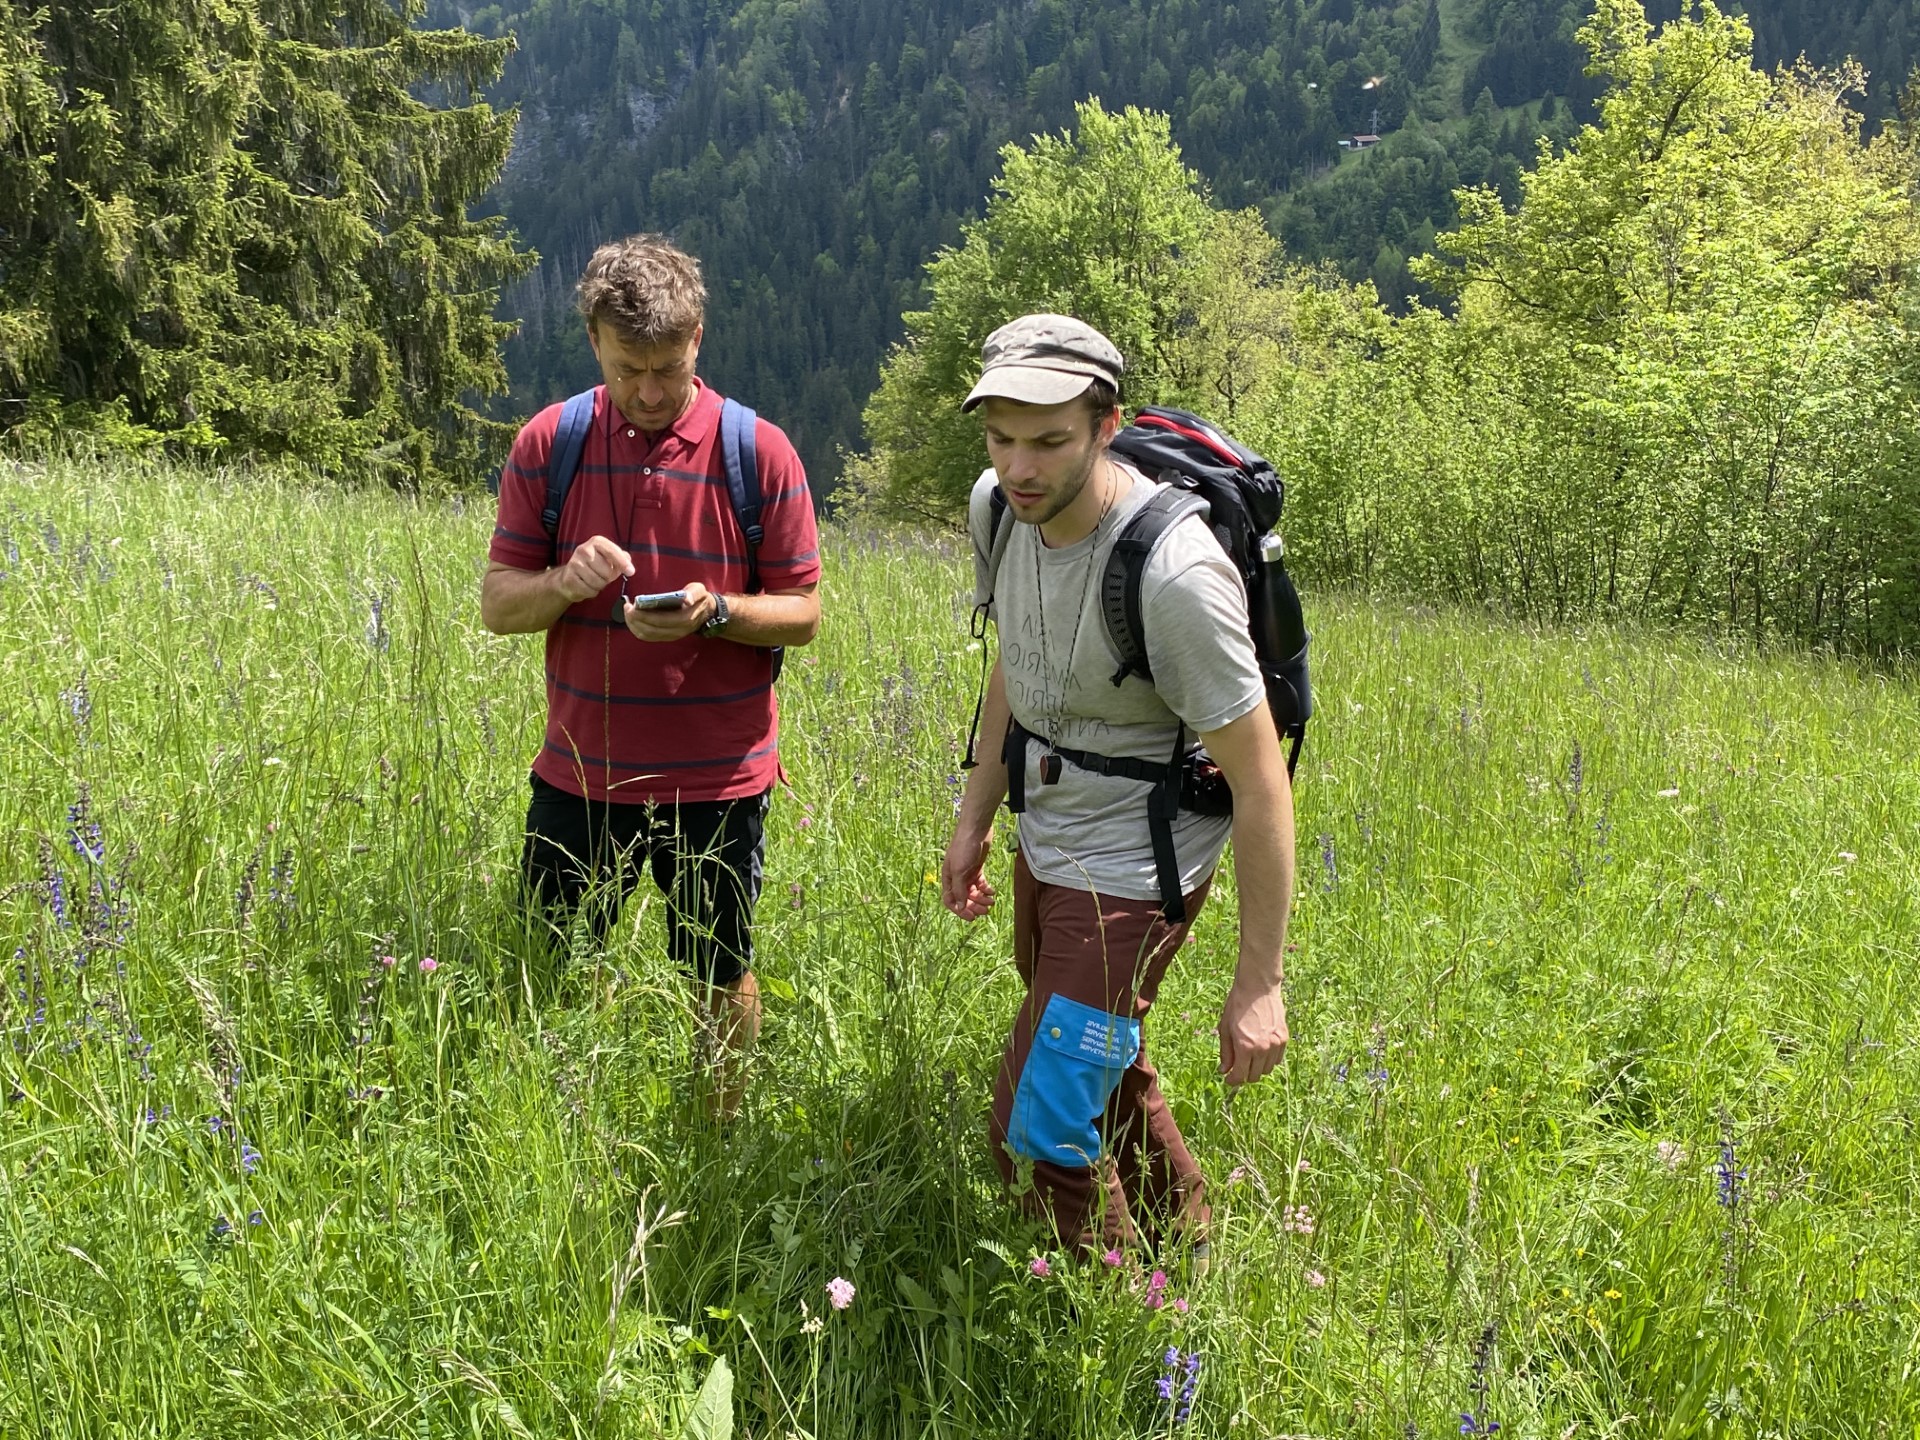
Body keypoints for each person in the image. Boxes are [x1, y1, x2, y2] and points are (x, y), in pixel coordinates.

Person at [940, 314, 1295, 1255]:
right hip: (1049, 832)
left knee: (1040, 1124)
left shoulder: (1174, 575)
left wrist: (1259, 981)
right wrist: (976, 816)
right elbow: (1013, 663)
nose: (1021, 466)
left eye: (1050, 440)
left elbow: (1262, 783)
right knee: (1101, 1061)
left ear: (1107, 426)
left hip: (1140, 869)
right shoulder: (998, 513)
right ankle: (1192, 1237)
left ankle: (1126, 1322)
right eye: (1002, 437)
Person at [482, 235, 821, 1119]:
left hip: (718, 777)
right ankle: (575, 1125)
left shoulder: (760, 451)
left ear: (698, 338)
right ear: (594, 340)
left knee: (718, 970)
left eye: (669, 366)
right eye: (630, 367)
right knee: (562, 961)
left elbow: (805, 614)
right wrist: (564, 583)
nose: (651, 389)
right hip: (581, 772)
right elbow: (499, 606)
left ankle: (719, 1128)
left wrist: (715, 610)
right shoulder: (549, 444)